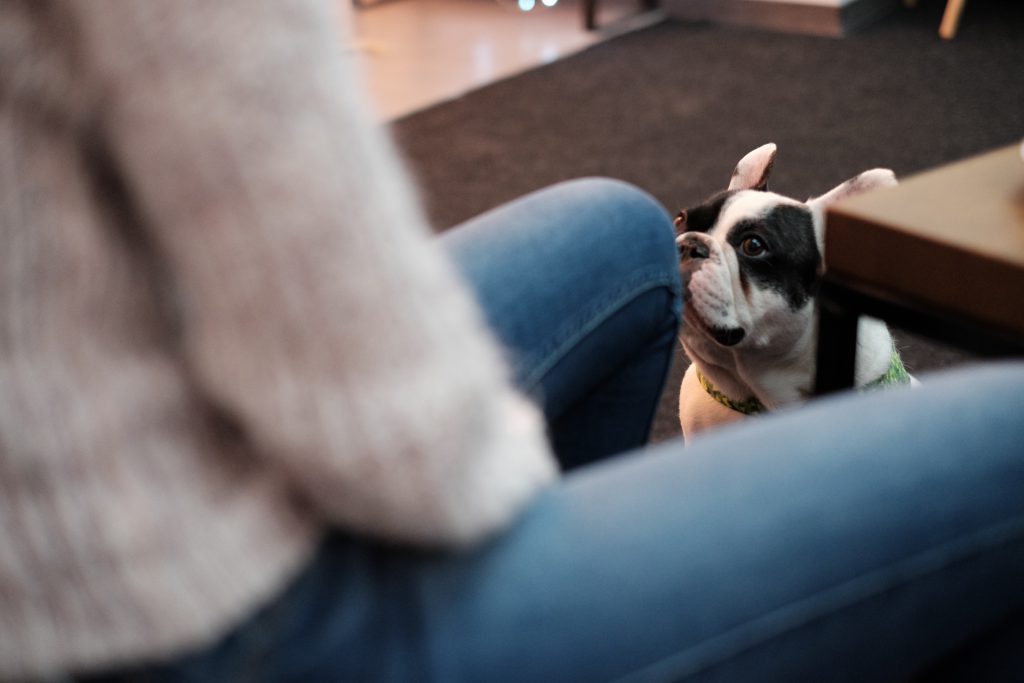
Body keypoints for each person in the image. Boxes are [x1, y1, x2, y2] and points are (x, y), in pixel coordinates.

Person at [1, 2, 1022, 681]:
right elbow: (380, 438)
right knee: (1003, 435)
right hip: (174, 609)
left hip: (105, 436)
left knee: (620, 229)